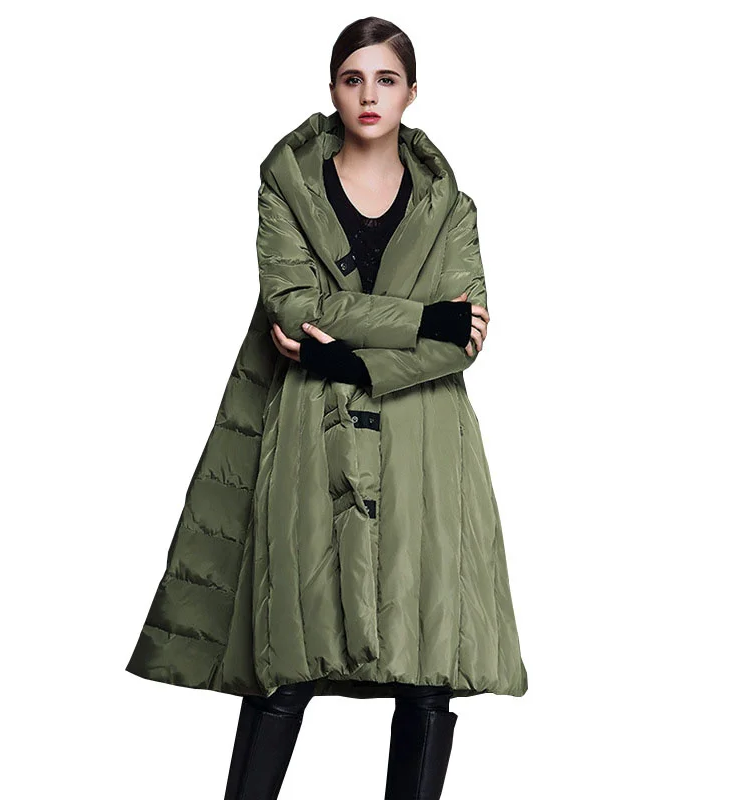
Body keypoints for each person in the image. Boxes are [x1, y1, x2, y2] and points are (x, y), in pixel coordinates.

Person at [126, 16, 528, 800]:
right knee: (288, 656)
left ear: (412, 92)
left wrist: (345, 356)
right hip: (309, 433)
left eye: (386, 79)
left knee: (427, 665)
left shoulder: (453, 209)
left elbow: (465, 338)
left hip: (425, 444)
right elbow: (294, 304)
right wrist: (422, 318)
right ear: (333, 89)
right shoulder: (287, 187)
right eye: (353, 78)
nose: (369, 95)